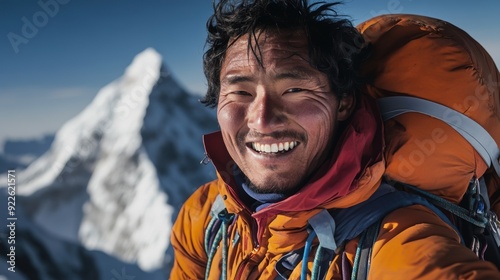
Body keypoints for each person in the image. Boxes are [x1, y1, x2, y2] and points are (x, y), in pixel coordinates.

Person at [170, 0, 500, 279]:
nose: (262, 119)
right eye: (240, 92)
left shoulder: (393, 237)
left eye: (294, 90)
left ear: (342, 103)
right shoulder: (206, 216)